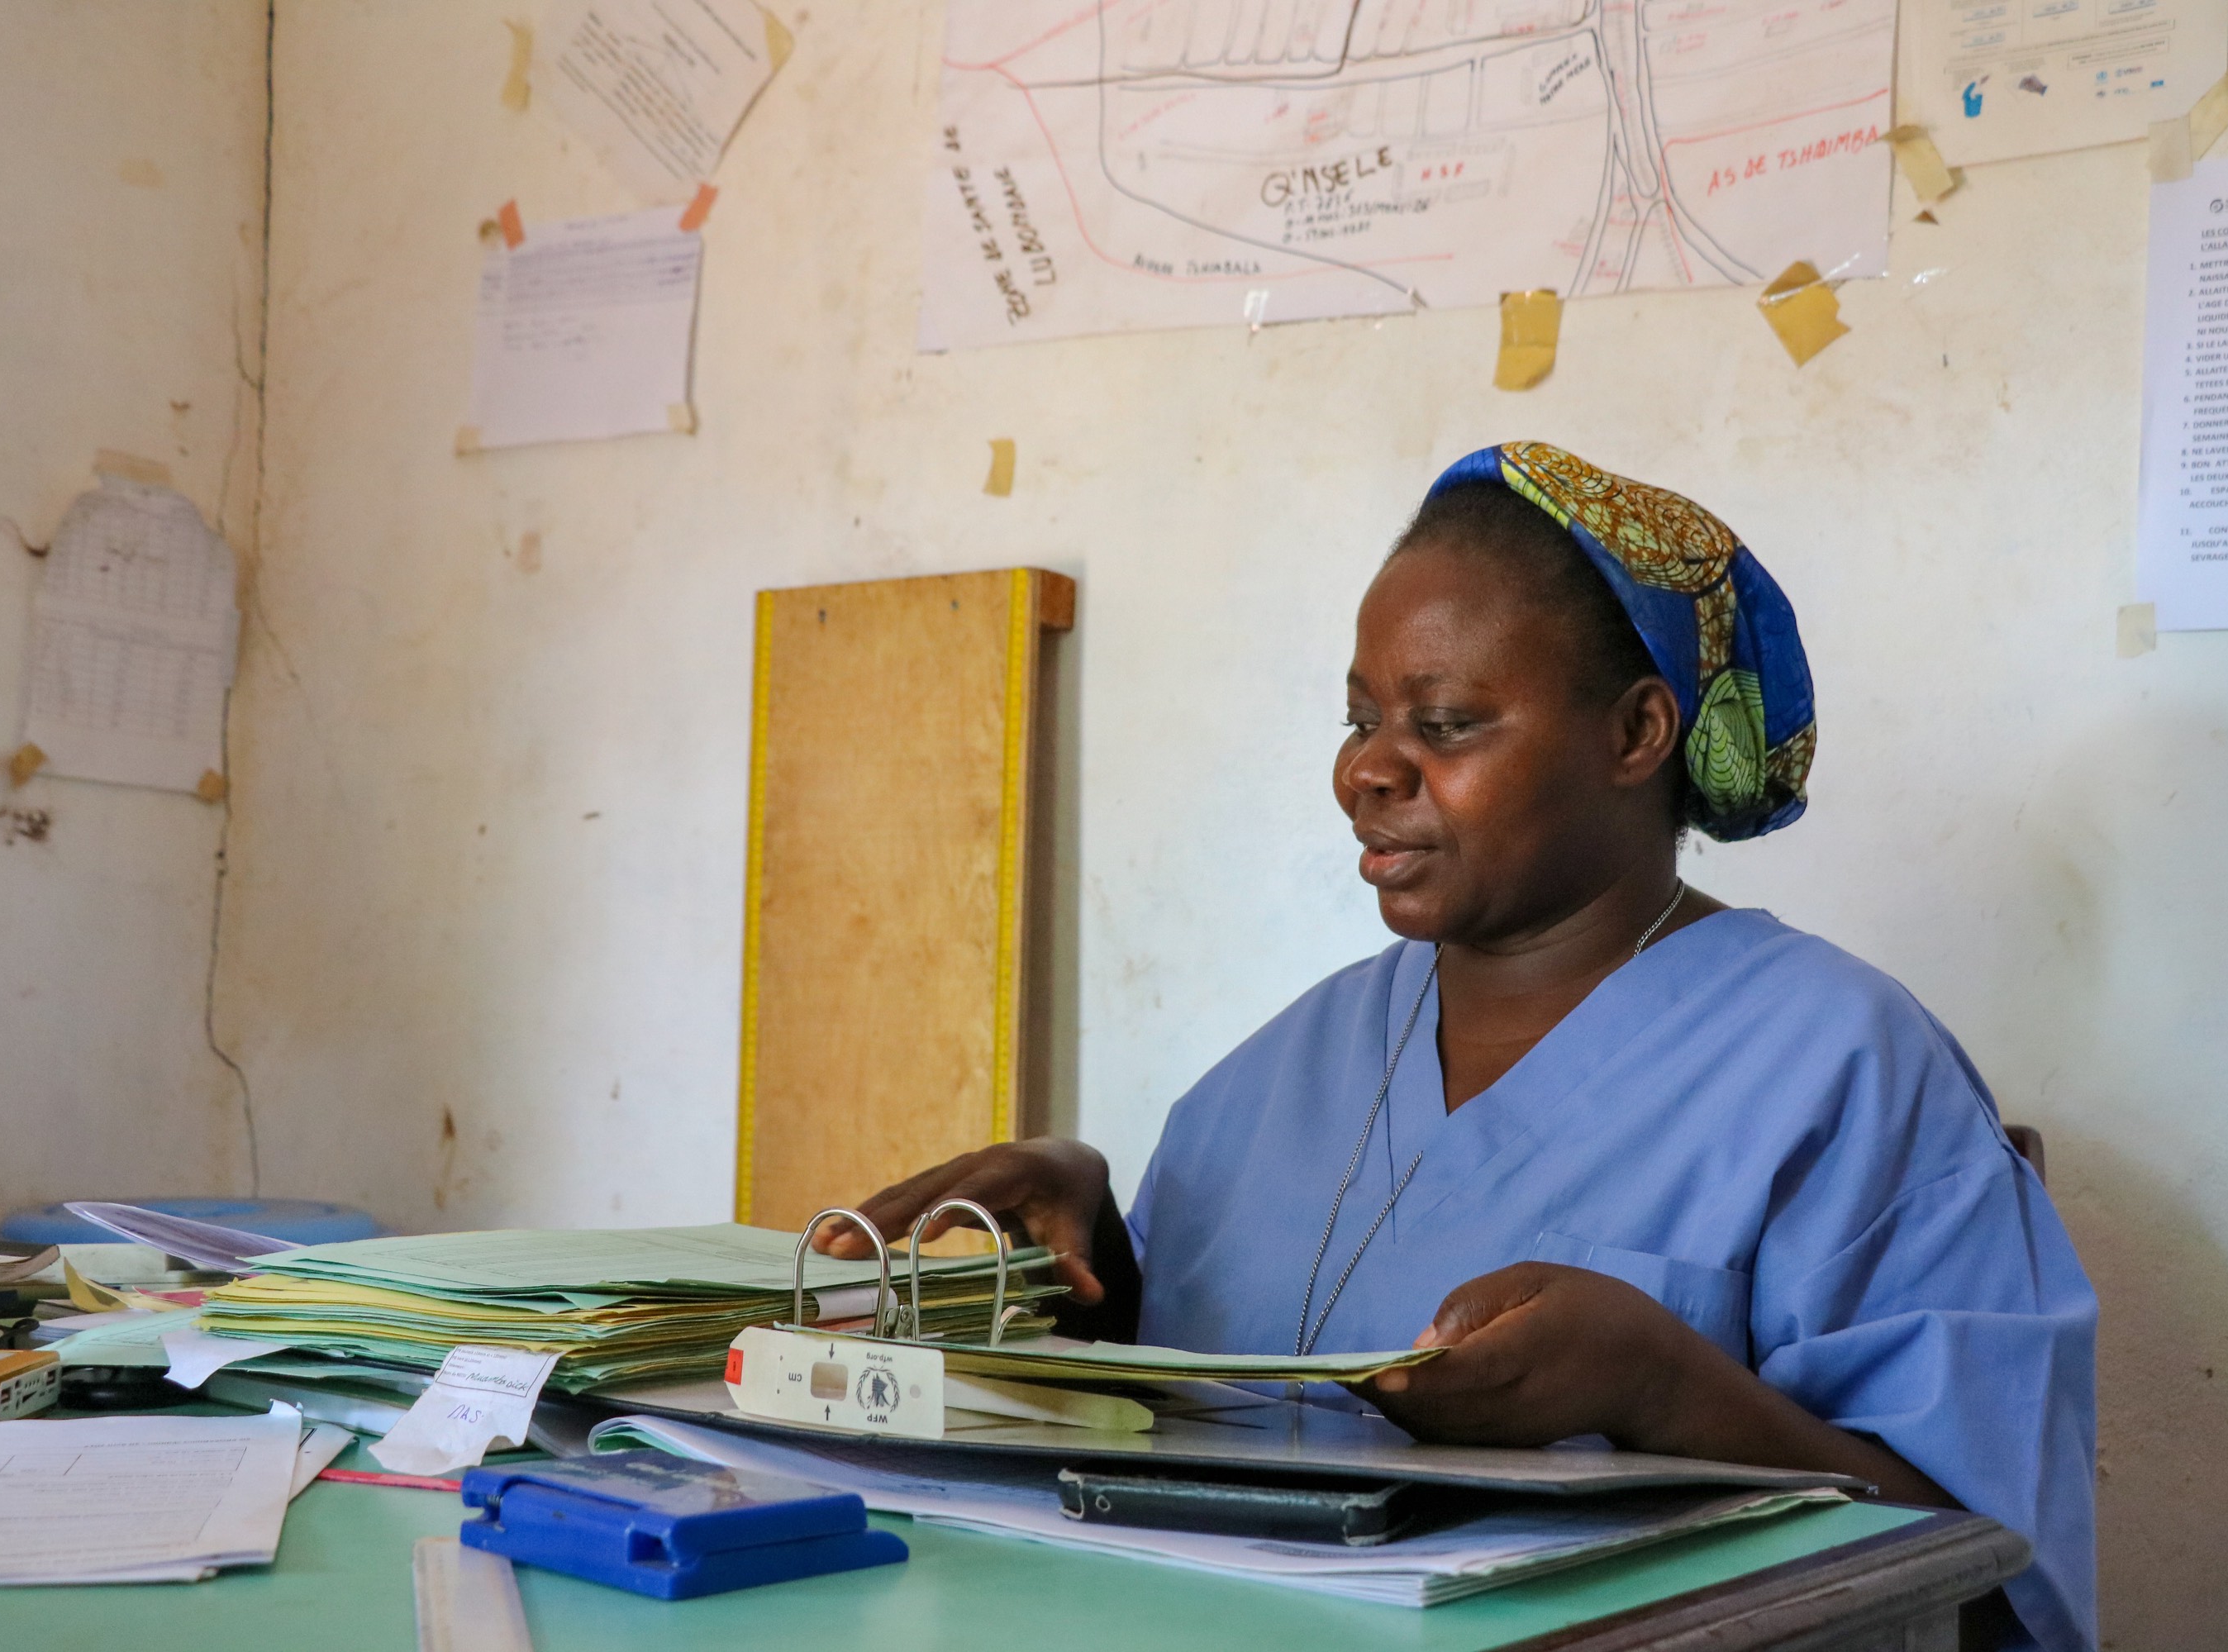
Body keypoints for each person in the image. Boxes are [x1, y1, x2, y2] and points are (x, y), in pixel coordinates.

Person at [821, 442, 2097, 1651]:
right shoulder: (1281, 1071)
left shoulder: (1845, 1069)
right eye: (1359, 716)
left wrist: (1662, 1389)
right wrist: (1084, 1252)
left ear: (1636, 735)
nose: (1369, 771)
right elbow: (1198, 1413)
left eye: (1445, 724)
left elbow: (1979, 1581)